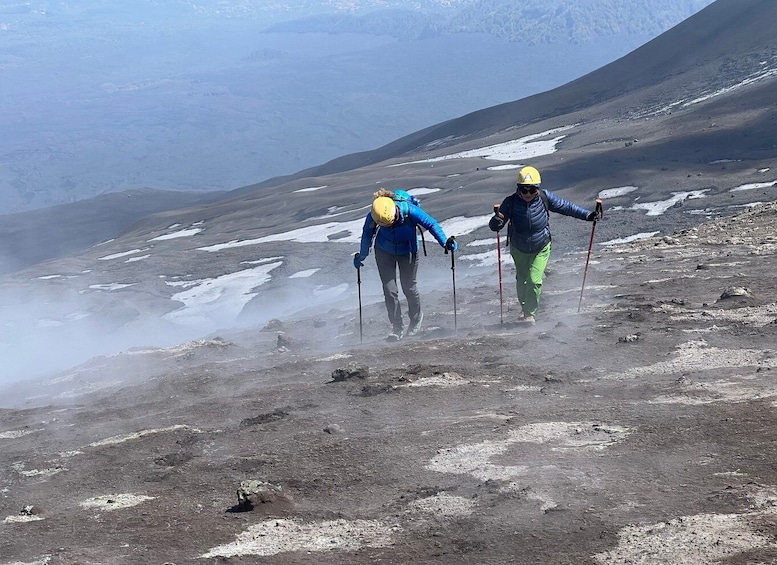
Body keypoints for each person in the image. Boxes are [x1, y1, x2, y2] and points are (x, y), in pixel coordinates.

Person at [489, 166, 598, 324]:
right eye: (524, 190)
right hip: (519, 247)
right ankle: (525, 308)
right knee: (522, 280)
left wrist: (587, 215)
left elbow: (566, 207)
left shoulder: (545, 198)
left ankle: (530, 315)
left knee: (534, 280)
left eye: (532, 190)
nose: (527, 194)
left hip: (541, 246)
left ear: (537, 189)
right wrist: (496, 222)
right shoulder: (510, 202)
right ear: (518, 189)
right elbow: (496, 224)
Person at [354, 188, 457, 340]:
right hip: (383, 250)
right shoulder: (374, 215)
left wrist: (445, 243)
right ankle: (397, 328)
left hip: (408, 251)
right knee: (390, 290)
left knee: (408, 287)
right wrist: (361, 256)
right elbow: (367, 234)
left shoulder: (410, 211)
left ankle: (415, 319)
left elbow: (431, 224)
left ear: (395, 212)